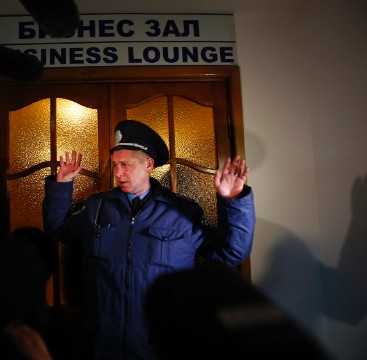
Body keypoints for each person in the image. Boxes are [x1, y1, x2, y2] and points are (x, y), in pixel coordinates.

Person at [42, 119, 256, 360]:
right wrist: (62, 185)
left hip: (160, 342)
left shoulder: (183, 212)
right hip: (103, 343)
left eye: (126, 164)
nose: (119, 173)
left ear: (149, 165)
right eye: (115, 165)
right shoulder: (97, 207)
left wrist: (234, 200)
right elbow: (57, 231)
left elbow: (231, 253)